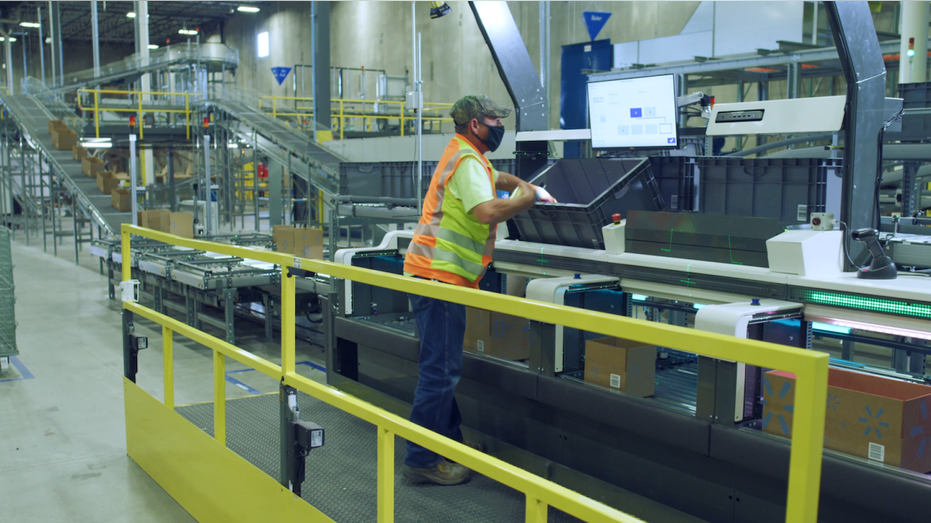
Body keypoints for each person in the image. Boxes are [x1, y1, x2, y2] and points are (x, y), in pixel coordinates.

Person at [401, 94, 556, 485]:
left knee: (442, 368)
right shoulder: (469, 159)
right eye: (492, 120)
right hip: (441, 279)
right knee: (440, 373)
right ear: (475, 125)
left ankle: (449, 445)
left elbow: (493, 178)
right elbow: (485, 211)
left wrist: (521, 183)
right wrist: (526, 200)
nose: (498, 126)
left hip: (436, 276)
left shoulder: (467, 154)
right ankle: (421, 459)